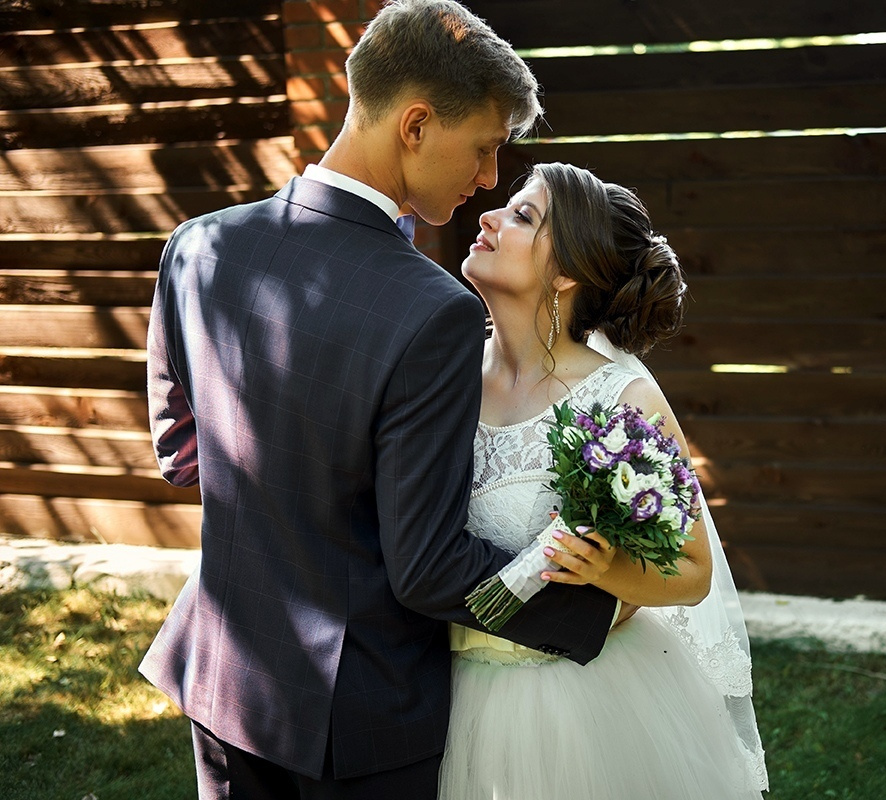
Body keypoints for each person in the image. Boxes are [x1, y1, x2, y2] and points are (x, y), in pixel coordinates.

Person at [139, 4, 624, 798]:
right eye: (485, 146)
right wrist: (589, 616)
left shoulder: (198, 244)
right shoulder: (432, 310)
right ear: (416, 124)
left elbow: (181, 454)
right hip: (357, 718)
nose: (489, 178)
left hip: (223, 682)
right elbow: (428, 569)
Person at [440, 162, 770, 799]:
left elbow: (694, 572)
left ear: (565, 273)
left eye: (522, 216)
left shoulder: (622, 400)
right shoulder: (443, 375)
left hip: (575, 697)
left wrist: (604, 574)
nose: (487, 217)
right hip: (441, 683)